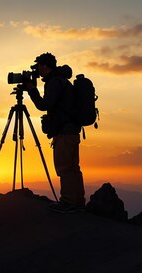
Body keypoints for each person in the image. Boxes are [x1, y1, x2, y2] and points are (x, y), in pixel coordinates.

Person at [23, 52, 85, 213]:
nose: (36, 70)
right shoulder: (61, 80)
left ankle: (69, 203)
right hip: (70, 130)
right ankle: (77, 202)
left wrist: (31, 90)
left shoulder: (54, 82)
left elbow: (44, 105)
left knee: (65, 168)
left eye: (37, 66)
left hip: (65, 132)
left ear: (44, 66)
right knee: (72, 167)